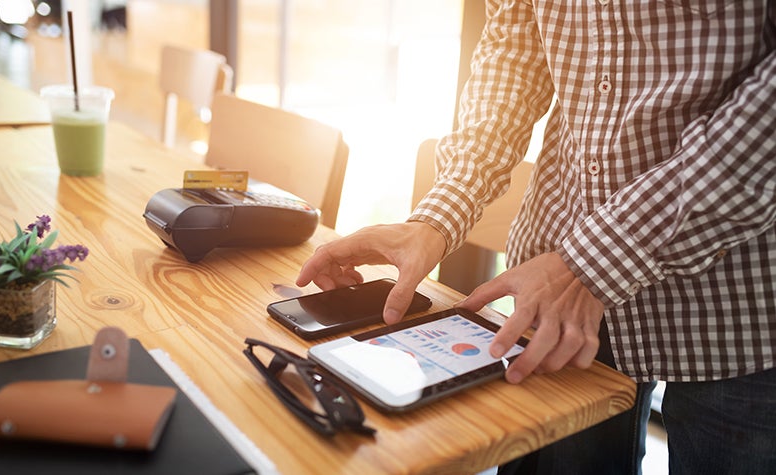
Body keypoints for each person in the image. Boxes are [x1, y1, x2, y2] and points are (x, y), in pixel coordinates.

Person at [297, 1, 776, 474]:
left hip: (736, 296)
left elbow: (764, 124)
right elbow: (511, 62)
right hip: (553, 286)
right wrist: (438, 217)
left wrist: (595, 262)